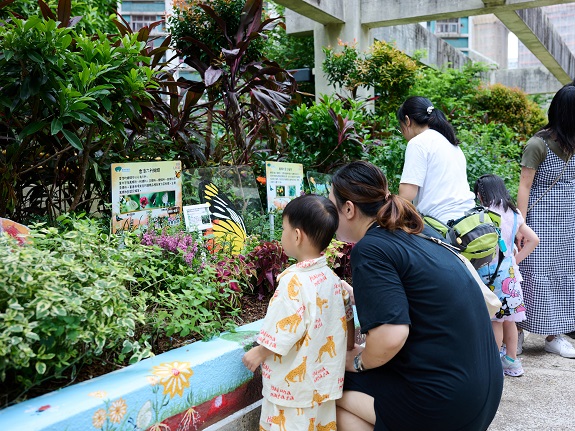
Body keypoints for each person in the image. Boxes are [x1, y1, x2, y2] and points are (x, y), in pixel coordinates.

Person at [329, 161, 503, 431]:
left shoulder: (371, 248)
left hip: (441, 404)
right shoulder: (418, 231)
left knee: (326, 387)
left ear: (349, 209)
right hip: (483, 393)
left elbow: (390, 336)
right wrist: (360, 296)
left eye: (332, 207)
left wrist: (356, 361)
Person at [242, 194, 355, 430]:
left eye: (283, 228)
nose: (282, 234)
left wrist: (260, 352)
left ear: (296, 235)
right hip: (322, 387)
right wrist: (349, 345)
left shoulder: (293, 281)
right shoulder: (332, 279)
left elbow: (285, 326)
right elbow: (348, 317)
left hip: (291, 393)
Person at [516, 84, 575, 358]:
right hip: (541, 221)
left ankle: (554, 335)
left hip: (568, 221)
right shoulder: (537, 143)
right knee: (530, 274)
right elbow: (525, 187)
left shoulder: (573, 142)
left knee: (563, 276)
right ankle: (516, 331)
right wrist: (520, 226)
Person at [474, 174, 539, 376]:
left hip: (489, 275)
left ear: (481, 194)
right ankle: (512, 362)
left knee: (495, 321)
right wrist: (513, 262)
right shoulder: (514, 213)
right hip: (510, 276)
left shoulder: (483, 214)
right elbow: (533, 240)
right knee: (509, 320)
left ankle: (493, 366)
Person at [397, 96, 475, 223]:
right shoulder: (450, 142)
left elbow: (406, 195)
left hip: (441, 224)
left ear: (407, 121)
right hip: (468, 220)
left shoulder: (418, 143)